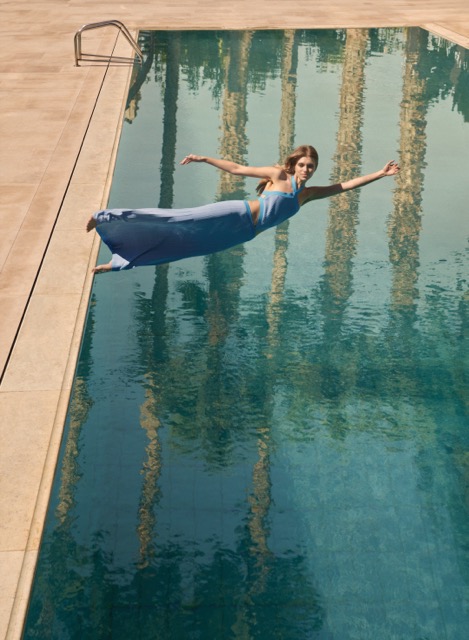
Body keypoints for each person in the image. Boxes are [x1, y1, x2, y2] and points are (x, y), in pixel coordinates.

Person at [86, 145, 400, 273]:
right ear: (294, 164)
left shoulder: (306, 195)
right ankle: (106, 217)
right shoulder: (278, 175)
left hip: (243, 234)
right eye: (303, 164)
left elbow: (345, 185)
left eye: (311, 166)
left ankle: (120, 262)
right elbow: (237, 168)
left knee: (190, 247)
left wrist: (380, 174)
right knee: (179, 220)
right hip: (235, 214)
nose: (307, 169)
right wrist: (204, 159)